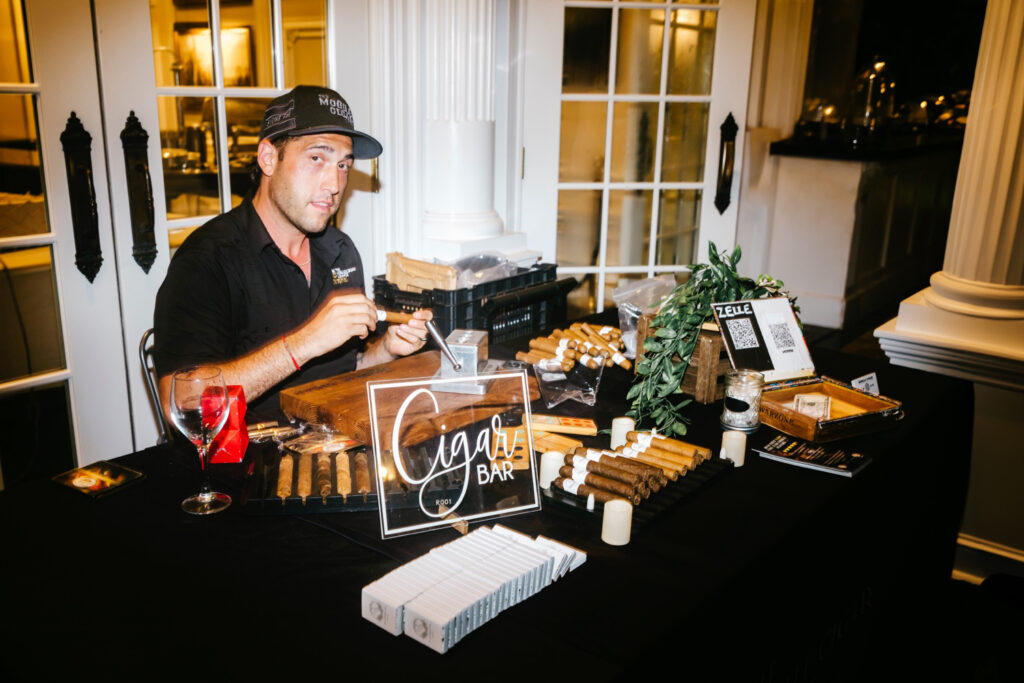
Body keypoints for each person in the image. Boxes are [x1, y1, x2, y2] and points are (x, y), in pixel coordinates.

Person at [153, 85, 430, 421]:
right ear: (269, 158)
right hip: (252, 463)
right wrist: (306, 341)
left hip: (336, 445)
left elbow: (345, 367)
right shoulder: (206, 261)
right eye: (317, 158)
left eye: (344, 165)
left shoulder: (340, 252)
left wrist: (385, 350)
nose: (334, 184)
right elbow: (183, 403)